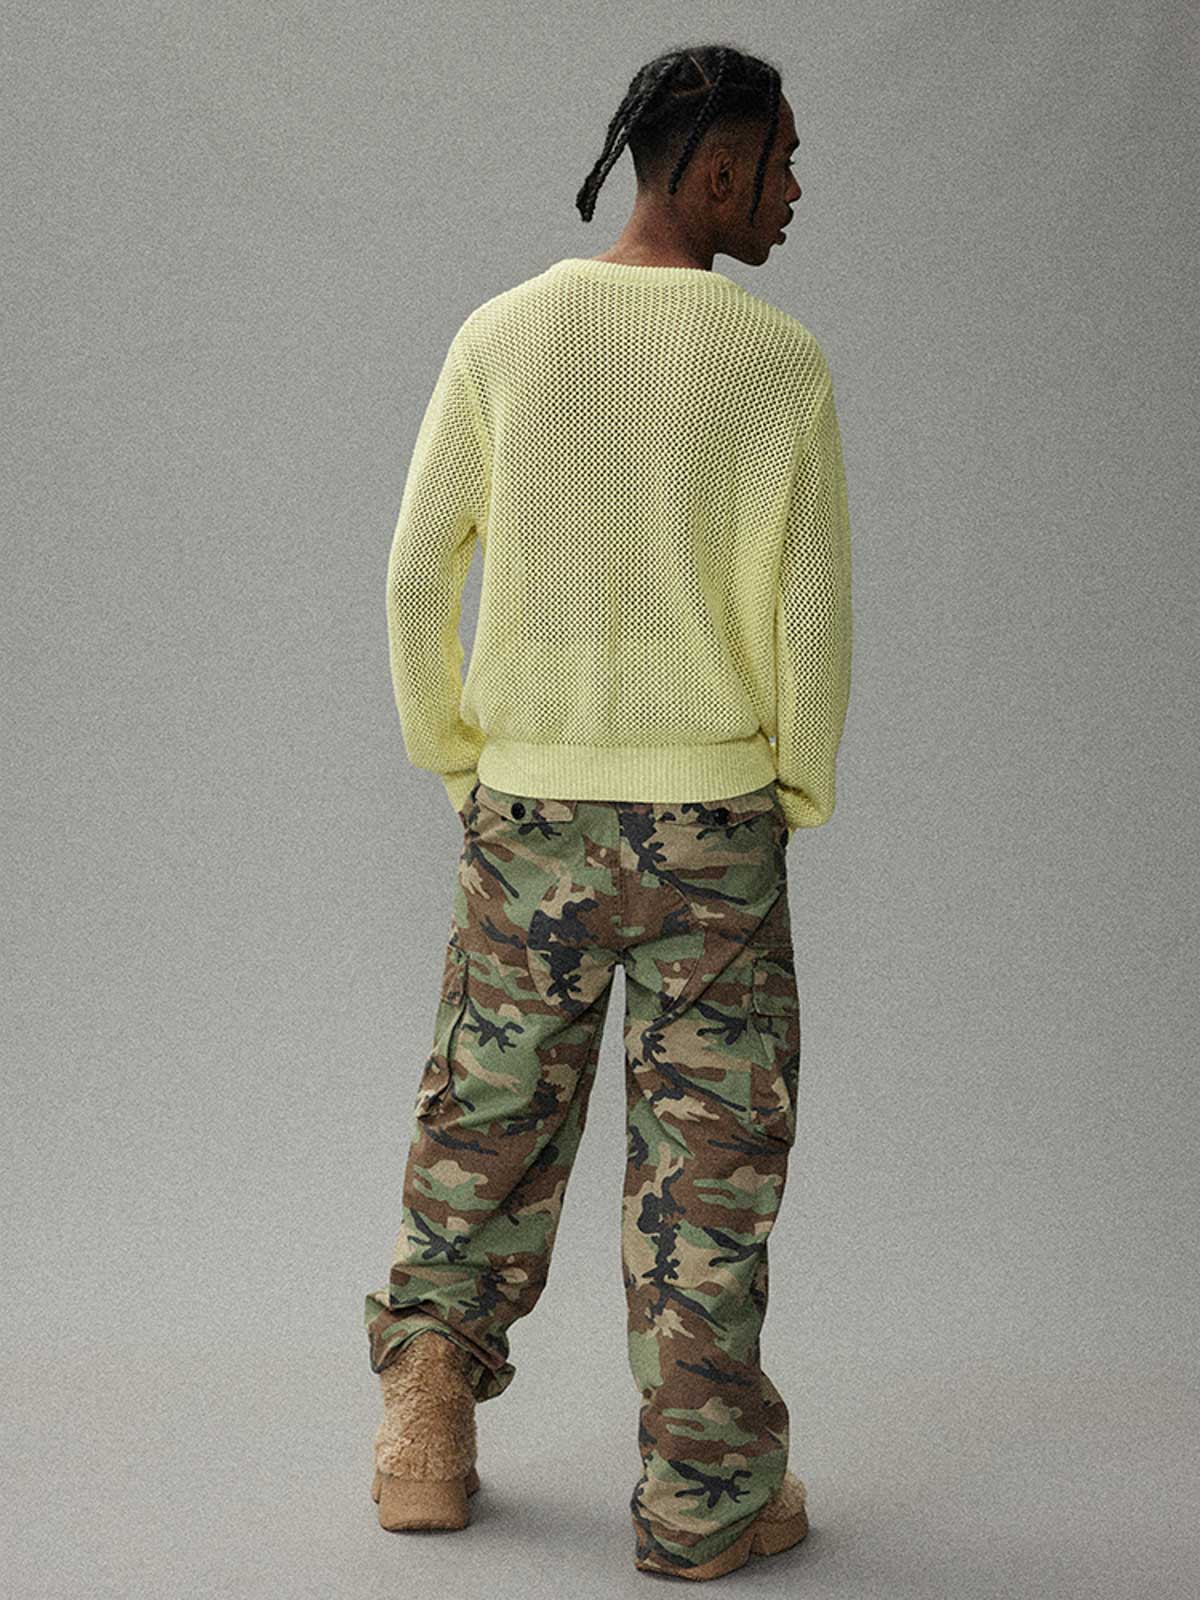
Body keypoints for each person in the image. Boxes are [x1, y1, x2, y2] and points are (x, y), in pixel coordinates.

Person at [363, 39, 853, 1582]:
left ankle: (425, 1434)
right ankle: (706, 1500)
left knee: (488, 1118)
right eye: (781, 160)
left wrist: (463, 759)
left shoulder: (504, 335)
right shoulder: (778, 364)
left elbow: (414, 575)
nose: (795, 188)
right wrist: (791, 786)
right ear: (716, 171)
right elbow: (813, 618)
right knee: (708, 1169)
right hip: (712, 828)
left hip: (530, 814)